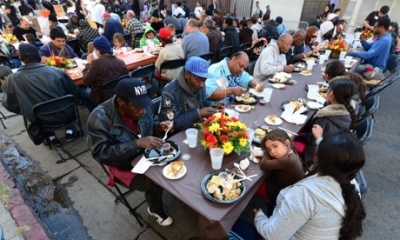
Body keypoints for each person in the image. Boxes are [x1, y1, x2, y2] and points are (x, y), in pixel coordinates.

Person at [85, 78, 174, 227]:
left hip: (145, 155)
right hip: (121, 165)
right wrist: (135, 144)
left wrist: (158, 127)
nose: (143, 110)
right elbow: (102, 154)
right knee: (154, 183)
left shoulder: (141, 108)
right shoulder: (99, 118)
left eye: (144, 105)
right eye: (137, 107)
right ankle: (155, 210)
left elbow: (149, 128)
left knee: (173, 166)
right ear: (121, 102)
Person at [254, 131, 366, 239]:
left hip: (277, 233)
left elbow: (273, 236)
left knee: (238, 224)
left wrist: (259, 217)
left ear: (316, 158)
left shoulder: (304, 195)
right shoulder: (351, 182)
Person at [1, 44, 79, 145]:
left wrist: (25, 108)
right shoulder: (56, 71)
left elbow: (9, 104)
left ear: (20, 58)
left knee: (32, 106)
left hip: (41, 121)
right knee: (62, 101)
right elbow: (74, 92)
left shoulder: (13, 79)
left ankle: (50, 136)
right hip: (66, 114)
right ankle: (70, 130)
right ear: (38, 56)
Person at [159, 56, 222, 132]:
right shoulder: (169, 91)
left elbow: (202, 102)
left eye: (204, 80)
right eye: (198, 80)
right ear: (187, 75)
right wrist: (198, 114)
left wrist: (211, 105)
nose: (202, 84)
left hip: (197, 128)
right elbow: (172, 124)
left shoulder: (200, 83)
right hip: (180, 134)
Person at [302, 79, 357, 164]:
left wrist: (302, 136)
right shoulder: (351, 110)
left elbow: (313, 143)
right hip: (334, 153)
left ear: (331, 93)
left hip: (316, 158)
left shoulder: (324, 118)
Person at [81, 36, 129, 111]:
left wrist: (88, 64)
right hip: (120, 94)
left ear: (98, 51)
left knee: (80, 91)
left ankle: (97, 112)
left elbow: (86, 82)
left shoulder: (96, 63)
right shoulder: (121, 61)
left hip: (101, 97)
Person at [258, 129, 304, 204]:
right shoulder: (291, 151)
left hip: (279, 191)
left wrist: (266, 151)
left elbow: (263, 164)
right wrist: (270, 148)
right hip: (290, 188)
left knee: (255, 181)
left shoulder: (287, 161)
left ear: (286, 143)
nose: (272, 152)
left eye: (275, 146)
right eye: (269, 149)